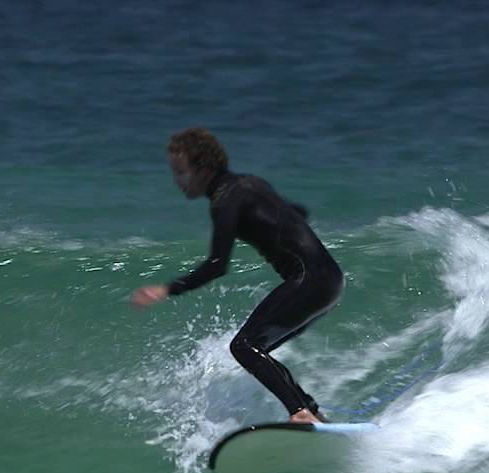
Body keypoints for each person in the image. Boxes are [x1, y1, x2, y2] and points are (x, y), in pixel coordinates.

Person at [130, 128, 344, 424]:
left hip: (309, 281)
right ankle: (311, 410)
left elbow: (217, 264)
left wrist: (167, 289)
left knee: (244, 347)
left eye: (180, 172)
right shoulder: (251, 183)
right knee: (258, 348)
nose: (177, 181)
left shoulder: (225, 200)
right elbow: (298, 212)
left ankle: (301, 412)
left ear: (202, 168)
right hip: (329, 279)